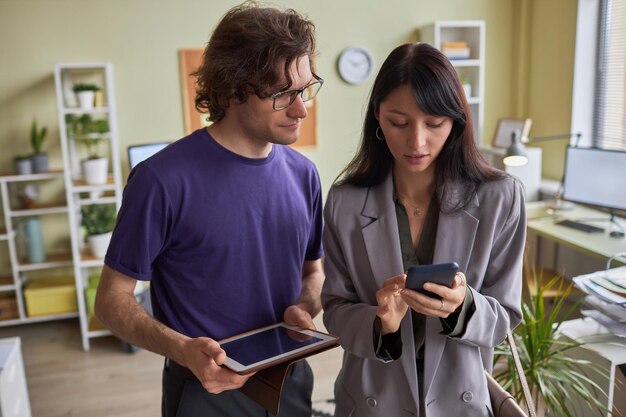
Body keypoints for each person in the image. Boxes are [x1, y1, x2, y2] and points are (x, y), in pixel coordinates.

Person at [94, 4, 325, 417]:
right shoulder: (160, 180)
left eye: (305, 88)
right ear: (234, 89)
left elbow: (313, 271)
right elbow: (112, 300)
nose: (301, 108)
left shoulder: (305, 175)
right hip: (205, 391)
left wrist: (305, 307)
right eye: (282, 94)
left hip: (290, 378)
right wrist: (182, 348)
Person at [321, 42, 526, 417]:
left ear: (456, 121)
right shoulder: (344, 201)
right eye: (398, 122)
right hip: (371, 398)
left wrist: (462, 307)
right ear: (377, 118)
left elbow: (506, 316)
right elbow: (335, 309)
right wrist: (380, 322)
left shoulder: (501, 197)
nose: (417, 142)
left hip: (459, 399)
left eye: (434, 124)